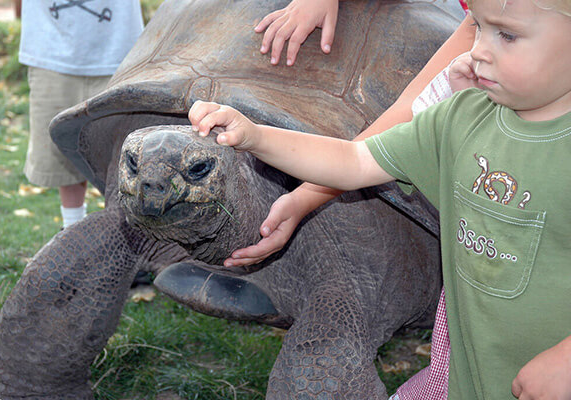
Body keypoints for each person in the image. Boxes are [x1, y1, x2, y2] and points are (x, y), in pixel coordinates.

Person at [189, 0, 571, 396]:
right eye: (476, 27)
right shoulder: (460, 116)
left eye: (506, 35)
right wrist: (257, 136)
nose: (477, 51)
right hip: (471, 377)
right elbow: (354, 160)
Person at [19, 0, 143, 228]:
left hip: (122, 51)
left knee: (130, 161)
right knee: (64, 156)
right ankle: (71, 229)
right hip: (50, 50)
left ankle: (128, 236)